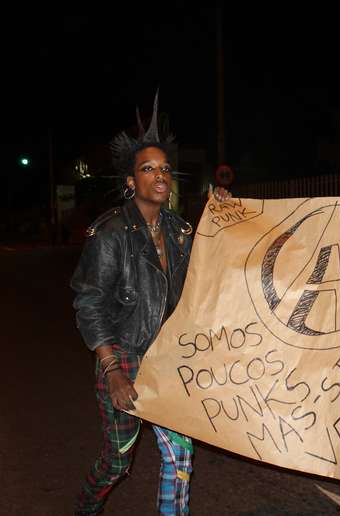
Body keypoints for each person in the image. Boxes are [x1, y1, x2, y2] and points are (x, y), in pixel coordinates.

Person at [71, 96, 229, 516]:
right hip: (122, 354)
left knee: (180, 459)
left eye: (164, 168)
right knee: (118, 462)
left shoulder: (181, 232)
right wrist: (114, 370)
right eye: (148, 168)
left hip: (167, 360)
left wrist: (225, 217)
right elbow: (89, 303)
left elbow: (210, 275)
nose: (160, 175)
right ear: (130, 182)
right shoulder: (110, 234)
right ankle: (86, 506)